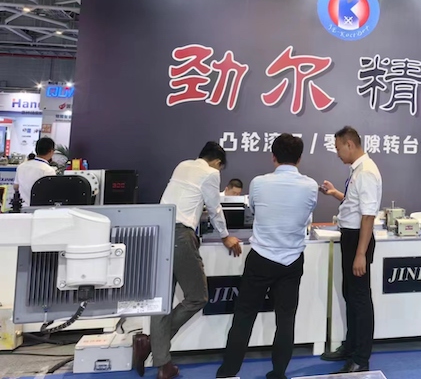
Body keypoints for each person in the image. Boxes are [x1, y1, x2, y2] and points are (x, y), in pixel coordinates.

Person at [133, 142, 242, 379]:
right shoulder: (210, 173)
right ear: (217, 162)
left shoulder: (182, 165)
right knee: (198, 297)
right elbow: (215, 208)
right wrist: (225, 236)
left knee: (162, 301)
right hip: (180, 236)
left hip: (159, 231)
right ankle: (151, 343)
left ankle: (163, 365)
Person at [216, 134, 318, 379]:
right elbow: (306, 215)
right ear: (299, 159)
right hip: (292, 260)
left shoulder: (259, 183)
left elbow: (254, 209)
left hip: (261, 258)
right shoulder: (310, 186)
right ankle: (279, 373)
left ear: (273, 157)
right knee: (286, 320)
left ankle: (228, 373)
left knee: (244, 317)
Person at [319, 126, 382, 374]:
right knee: (350, 294)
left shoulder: (366, 172)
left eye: (338, 148)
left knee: (360, 299)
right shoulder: (357, 170)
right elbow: (354, 204)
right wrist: (335, 193)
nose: (337, 153)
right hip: (351, 237)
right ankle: (351, 345)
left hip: (358, 240)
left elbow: (368, 216)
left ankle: (361, 358)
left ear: (349, 144)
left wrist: (360, 254)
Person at [14, 137, 55, 206]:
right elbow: (50, 193)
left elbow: (16, 187)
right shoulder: (48, 170)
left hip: (21, 207)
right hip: (39, 208)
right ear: (51, 151)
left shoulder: (21, 166)